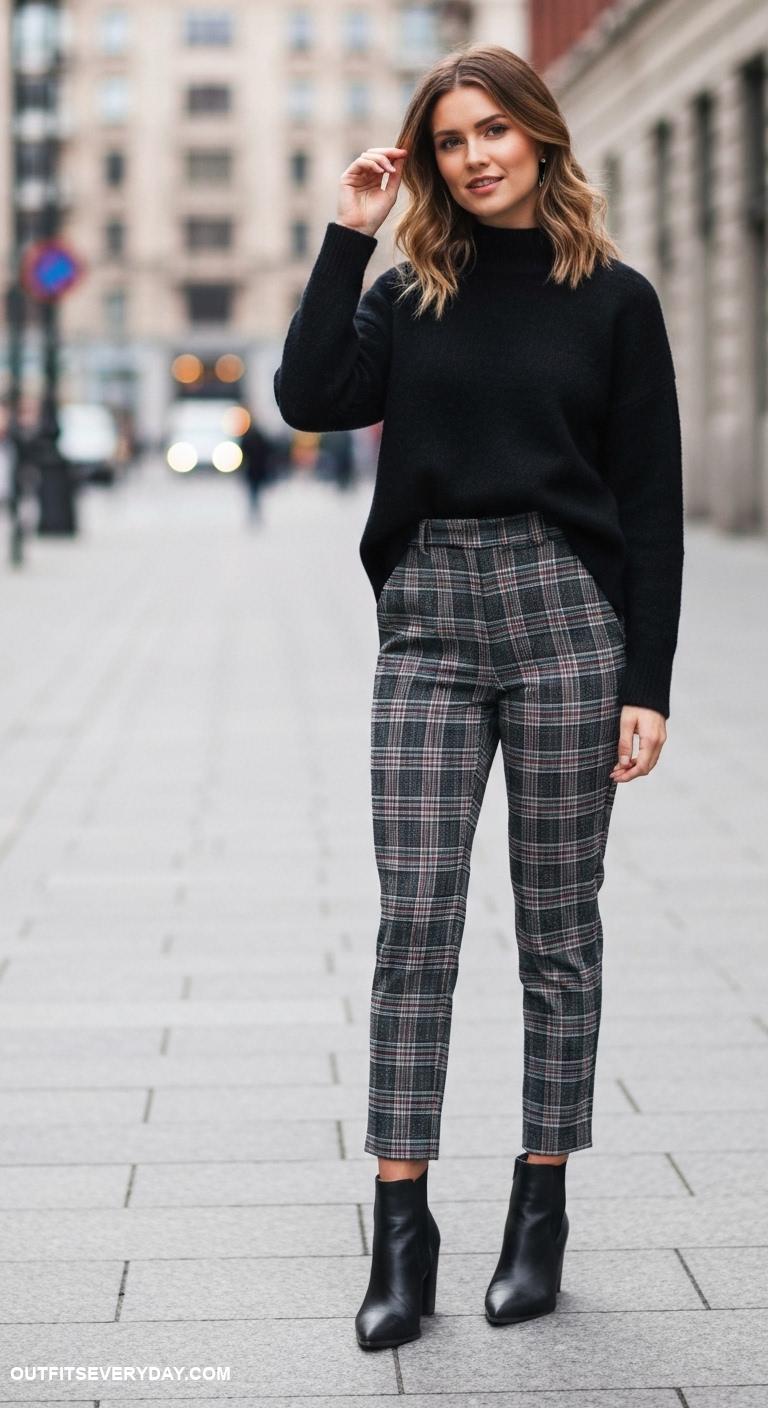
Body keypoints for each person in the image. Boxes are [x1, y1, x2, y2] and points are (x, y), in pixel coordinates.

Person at [273, 43, 684, 1351]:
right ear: (431, 161)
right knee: (417, 928)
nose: (476, 155)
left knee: (557, 932)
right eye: (452, 139)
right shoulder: (408, 293)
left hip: (570, 619)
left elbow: (653, 509)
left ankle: (538, 1212)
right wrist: (349, 236)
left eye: (496, 130)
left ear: (542, 138)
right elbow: (307, 395)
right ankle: (403, 1232)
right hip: (432, 627)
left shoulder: (613, 300)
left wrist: (648, 682)